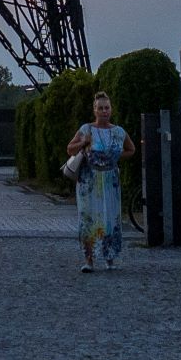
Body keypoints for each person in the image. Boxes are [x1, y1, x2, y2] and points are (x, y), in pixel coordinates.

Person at [65, 90, 136, 271]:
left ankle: (109, 257)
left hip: (109, 180)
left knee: (110, 218)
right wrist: (83, 143)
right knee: (89, 219)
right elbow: (70, 149)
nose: (104, 111)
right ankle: (89, 259)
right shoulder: (86, 130)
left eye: (107, 108)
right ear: (94, 110)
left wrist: (116, 157)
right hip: (89, 181)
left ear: (111, 109)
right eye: (101, 108)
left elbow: (131, 149)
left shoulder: (119, 132)